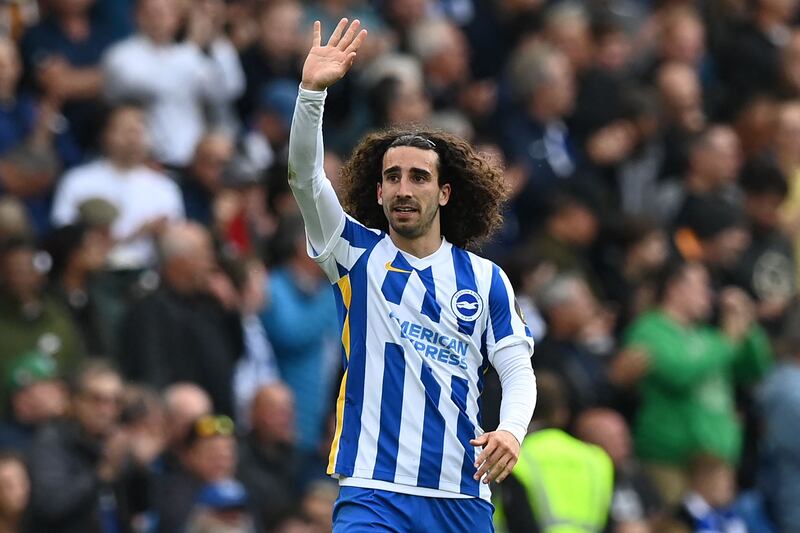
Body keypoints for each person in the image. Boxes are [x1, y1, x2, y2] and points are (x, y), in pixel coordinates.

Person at [290, 18, 536, 531]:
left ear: (444, 193)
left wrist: (511, 431)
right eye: (392, 177)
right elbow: (305, 179)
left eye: (419, 177)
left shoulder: (486, 278)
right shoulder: (353, 253)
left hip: (461, 494)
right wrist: (311, 93)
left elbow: (516, 371)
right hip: (374, 490)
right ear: (377, 192)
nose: (404, 188)